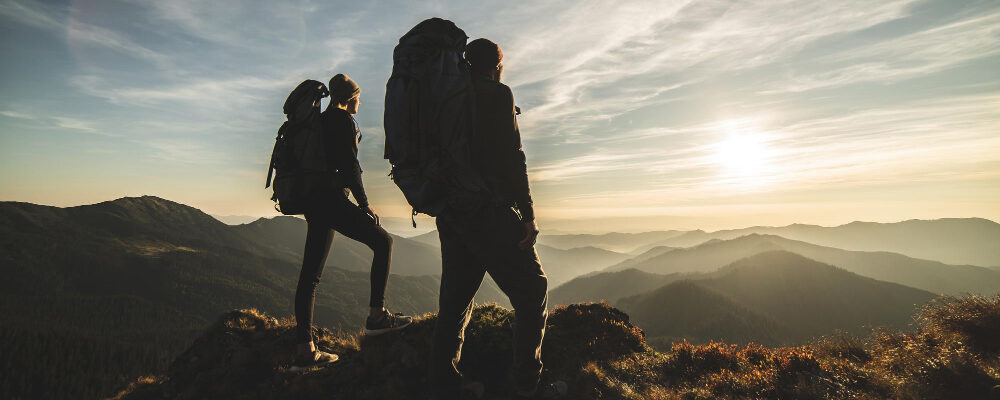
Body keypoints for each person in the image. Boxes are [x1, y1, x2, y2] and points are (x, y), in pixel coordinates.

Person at [430, 40, 566, 399]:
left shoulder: (446, 100)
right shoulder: (498, 94)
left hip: (451, 212)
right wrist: (528, 214)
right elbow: (513, 157)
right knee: (533, 289)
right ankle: (526, 386)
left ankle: (446, 383)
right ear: (497, 65)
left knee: (456, 299)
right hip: (488, 211)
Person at [291, 73, 413, 371]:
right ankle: (377, 317)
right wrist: (364, 203)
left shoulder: (318, 121)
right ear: (350, 97)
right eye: (358, 97)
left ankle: (305, 350)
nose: (360, 101)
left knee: (311, 275)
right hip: (332, 200)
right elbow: (349, 166)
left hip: (313, 201)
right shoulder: (342, 121)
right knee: (384, 242)